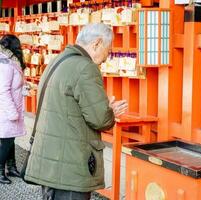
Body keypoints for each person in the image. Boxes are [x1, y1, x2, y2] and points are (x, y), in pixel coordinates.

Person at [24, 23, 128, 199]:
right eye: (108, 51)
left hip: (50, 159)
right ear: (97, 43)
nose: (106, 57)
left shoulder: (57, 61)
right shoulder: (85, 67)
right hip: (70, 164)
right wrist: (110, 112)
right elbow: (99, 119)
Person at [0, 35, 26, 184]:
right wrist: (12, 112)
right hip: (7, 109)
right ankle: (0, 171)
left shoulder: (10, 61)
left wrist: (24, 88)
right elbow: (3, 90)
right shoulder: (5, 63)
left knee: (10, 138)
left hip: (12, 107)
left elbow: (15, 84)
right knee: (6, 141)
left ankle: (11, 167)